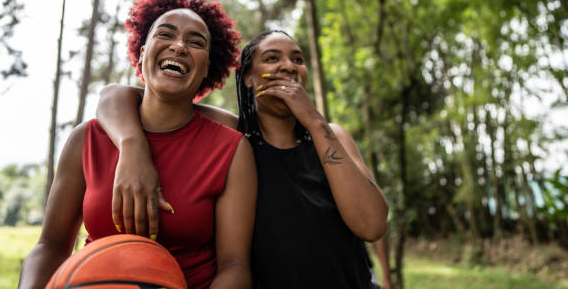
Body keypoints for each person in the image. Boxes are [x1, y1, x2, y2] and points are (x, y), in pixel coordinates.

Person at [97, 30, 391, 288]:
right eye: (273, 58)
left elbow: (372, 225)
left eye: (297, 60)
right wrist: (131, 146)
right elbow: (118, 96)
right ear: (248, 77)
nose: (288, 66)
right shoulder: (234, 136)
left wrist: (314, 121)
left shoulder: (331, 136)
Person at [18, 0, 257, 289]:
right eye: (166, 34)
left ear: (207, 66)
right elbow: (51, 245)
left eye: (195, 42)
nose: (179, 46)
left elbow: (235, 266)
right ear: (143, 52)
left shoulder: (231, 149)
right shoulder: (87, 139)